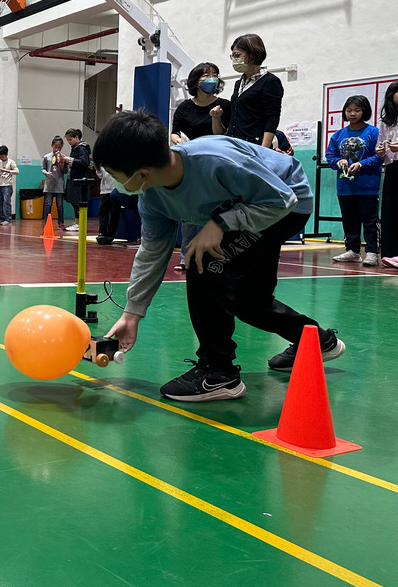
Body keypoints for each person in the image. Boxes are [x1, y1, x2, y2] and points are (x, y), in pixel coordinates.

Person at [95, 109, 344, 402]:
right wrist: (132, 312)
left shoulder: (215, 160)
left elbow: (282, 199)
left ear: (141, 173)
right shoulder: (152, 198)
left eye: (114, 175)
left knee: (204, 263)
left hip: (285, 203)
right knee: (250, 301)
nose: (114, 183)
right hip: (257, 208)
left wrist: (222, 223)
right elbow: (152, 252)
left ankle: (218, 373)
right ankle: (315, 341)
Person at [170, 62, 231, 269]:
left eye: (215, 74)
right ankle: (186, 258)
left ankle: (215, 257)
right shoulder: (185, 107)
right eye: (206, 75)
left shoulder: (224, 105)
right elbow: (174, 132)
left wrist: (216, 118)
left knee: (216, 211)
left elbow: (220, 135)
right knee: (189, 215)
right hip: (191, 164)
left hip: (216, 163)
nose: (212, 78)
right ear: (195, 81)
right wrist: (178, 141)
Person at [327, 94, 381, 266]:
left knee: (370, 220)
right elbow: (330, 156)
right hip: (345, 186)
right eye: (349, 110)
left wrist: (362, 164)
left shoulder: (373, 132)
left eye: (357, 110)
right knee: (349, 219)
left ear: (364, 111)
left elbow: (379, 157)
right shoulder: (338, 135)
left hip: (368, 186)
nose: (352, 114)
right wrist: (338, 161)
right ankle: (353, 250)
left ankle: (372, 252)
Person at [210, 33, 283, 148]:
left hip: (255, 146)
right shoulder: (239, 83)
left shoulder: (270, 81)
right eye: (232, 56)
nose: (234, 59)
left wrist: (263, 150)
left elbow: (272, 119)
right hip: (234, 145)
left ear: (253, 54)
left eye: (237, 55)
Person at [376, 81, 398, 268]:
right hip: (392, 166)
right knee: (391, 210)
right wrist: (381, 151)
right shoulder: (386, 121)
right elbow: (381, 143)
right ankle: (391, 253)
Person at [61, 128, 91, 232]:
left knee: (78, 201)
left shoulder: (81, 148)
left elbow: (84, 162)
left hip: (79, 179)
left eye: (70, 139)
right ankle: (77, 221)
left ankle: (79, 223)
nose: (69, 142)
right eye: (67, 140)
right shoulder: (74, 148)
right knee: (73, 201)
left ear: (76, 137)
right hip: (74, 178)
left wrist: (71, 160)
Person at [41, 136, 66, 229]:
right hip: (49, 185)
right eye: (56, 146)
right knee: (48, 204)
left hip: (59, 184)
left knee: (60, 205)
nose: (57, 149)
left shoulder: (63, 157)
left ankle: (61, 223)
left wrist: (62, 163)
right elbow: (43, 169)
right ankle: (47, 223)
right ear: (52, 145)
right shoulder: (47, 157)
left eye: (59, 147)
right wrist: (46, 173)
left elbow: (65, 171)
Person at [0, 145, 18, 225]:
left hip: (7, 185)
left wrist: (5, 170)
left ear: (6, 154)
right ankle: (1, 218)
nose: (1, 157)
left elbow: (17, 171)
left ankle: (8, 219)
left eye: (2, 155)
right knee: (0, 202)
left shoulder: (11, 162)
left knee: (6, 202)